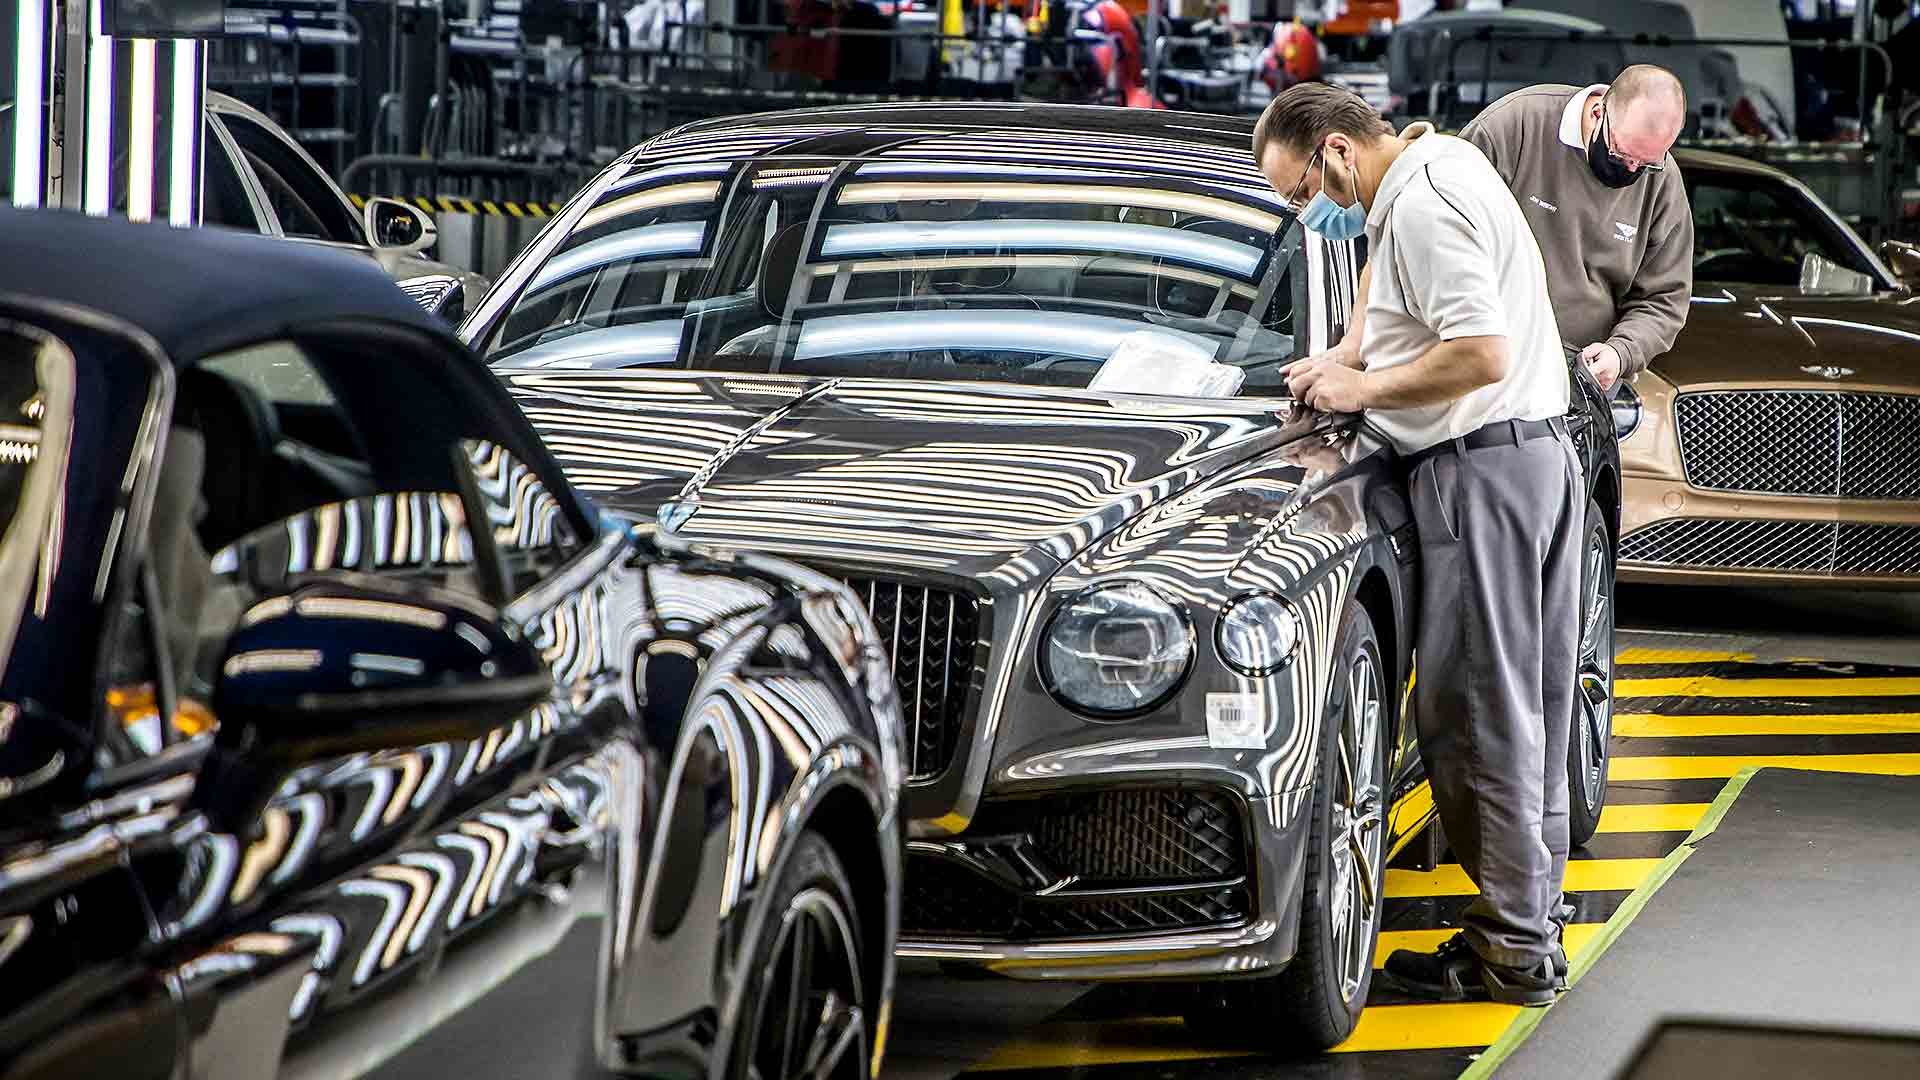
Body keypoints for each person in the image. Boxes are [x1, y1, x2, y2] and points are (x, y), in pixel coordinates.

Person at [1256, 82, 1580, 1006]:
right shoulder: (1437, 164)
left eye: (1298, 194)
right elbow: (1391, 284)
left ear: (1336, 154)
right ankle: (1527, 930)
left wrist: (1360, 392)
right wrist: (1350, 350)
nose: (1306, 214)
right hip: (1529, 459)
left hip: (1480, 468)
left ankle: (1512, 953)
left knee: (1477, 713)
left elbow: (1480, 351)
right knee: (1528, 707)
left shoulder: (1425, 205)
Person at [1460, 65, 1694, 393]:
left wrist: (1621, 352)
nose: (1632, 169)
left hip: (1582, 379)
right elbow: (1444, 236)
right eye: (1623, 153)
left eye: (1647, 162)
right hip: (1488, 364)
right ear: (1599, 111)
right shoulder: (1514, 127)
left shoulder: (1663, 180)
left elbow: (1664, 298)